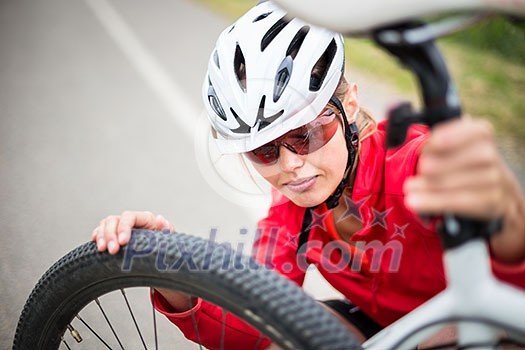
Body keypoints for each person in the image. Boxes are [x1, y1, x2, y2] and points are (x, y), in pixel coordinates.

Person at [91, 1, 525, 348]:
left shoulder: (416, 165)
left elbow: (513, 265)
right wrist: (175, 275)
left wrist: (506, 215)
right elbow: (256, 320)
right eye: (263, 150)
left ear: (350, 105)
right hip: (387, 329)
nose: (290, 164)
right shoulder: (294, 212)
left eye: (307, 135)